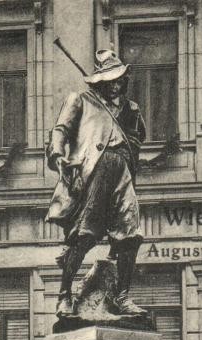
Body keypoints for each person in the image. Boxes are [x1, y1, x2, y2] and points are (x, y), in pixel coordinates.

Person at [46, 49, 147, 318]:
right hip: (94, 170)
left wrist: (133, 137)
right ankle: (64, 296)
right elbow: (60, 130)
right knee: (85, 234)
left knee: (130, 235)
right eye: (111, 79)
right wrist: (58, 155)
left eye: (120, 79)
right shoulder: (80, 100)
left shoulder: (129, 108)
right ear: (100, 81)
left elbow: (138, 138)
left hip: (122, 171)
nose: (117, 84)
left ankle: (121, 296)